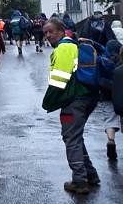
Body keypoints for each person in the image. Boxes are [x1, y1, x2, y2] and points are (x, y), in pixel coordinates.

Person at [42, 18, 100, 194]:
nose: (48, 35)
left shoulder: (63, 48)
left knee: (71, 138)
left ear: (61, 31)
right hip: (89, 97)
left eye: (51, 31)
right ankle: (90, 174)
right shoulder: (74, 45)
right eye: (45, 33)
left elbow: (59, 81)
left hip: (75, 100)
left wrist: (48, 102)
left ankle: (79, 182)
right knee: (76, 136)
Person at [98, 39, 122, 160]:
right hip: (121, 95)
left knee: (109, 118)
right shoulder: (121, 61)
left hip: (106, 94)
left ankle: (111, 139)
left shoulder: (103, 60)